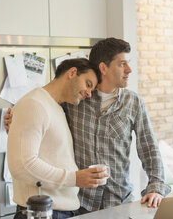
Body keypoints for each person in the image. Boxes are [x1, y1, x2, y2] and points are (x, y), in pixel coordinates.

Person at [6, 38, 170, 213]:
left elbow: (149, 147)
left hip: (120, 201)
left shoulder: (133, 102)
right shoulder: (74, 98)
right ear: (103, 68)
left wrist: (156, 187)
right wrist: (13, 121)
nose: (129, 70)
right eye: (122, 64)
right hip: (81, 202)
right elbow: (39, 121)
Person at [7, 58, 109, 219]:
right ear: (72, 72)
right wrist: (74, 178)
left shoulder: (54, 107)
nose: (89, 94)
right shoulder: (34, 104)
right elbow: (21, 165)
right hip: (43, 213)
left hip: (60, 211)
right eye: (88, 84)